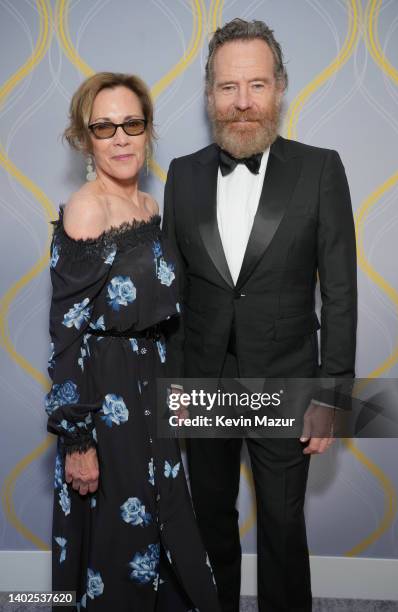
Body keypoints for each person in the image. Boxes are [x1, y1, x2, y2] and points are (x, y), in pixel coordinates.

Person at [163, 19, 357, 612]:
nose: (242, 102)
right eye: (228, 87)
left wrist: (332, 396)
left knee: (281, 524)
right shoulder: (182, 173)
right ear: (209, 95)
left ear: (279, 89)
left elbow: (341, 291)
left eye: (256, 85)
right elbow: (174, 296)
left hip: (288, 380)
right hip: (203, 379)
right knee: (210, 519)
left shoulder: (321, 168)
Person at [45, 72, 221, 612]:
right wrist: (78, 441)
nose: (120, 138)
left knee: (166, 523)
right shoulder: (86, 209)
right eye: (104, 127)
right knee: (121, 544)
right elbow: (66, 334)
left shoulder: (148, 206)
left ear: (147, 132)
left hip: (155, 389)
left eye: (132, 124)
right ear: (84, 138)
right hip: (108, 400)